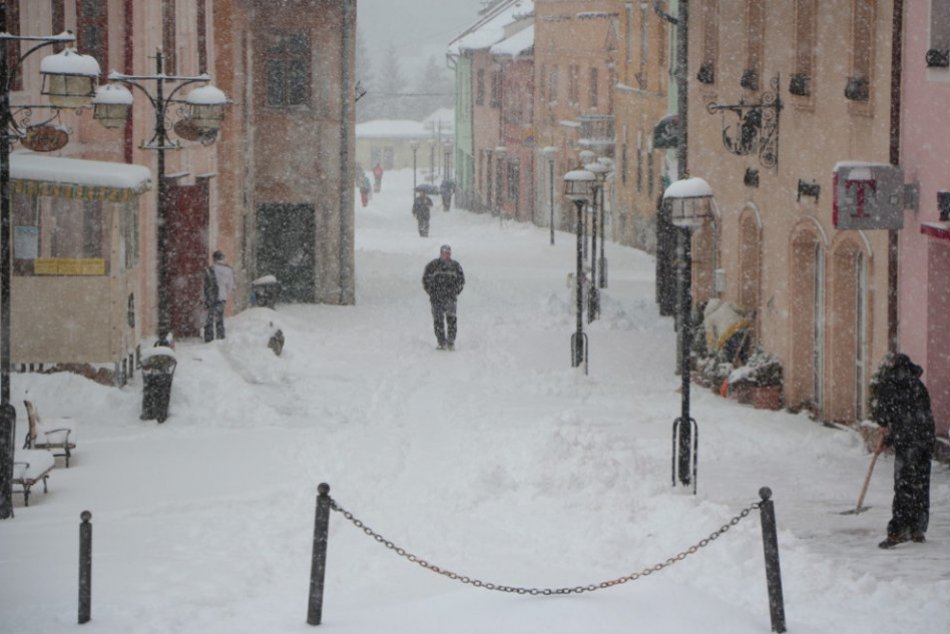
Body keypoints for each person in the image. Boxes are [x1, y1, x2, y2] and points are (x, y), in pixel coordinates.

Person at [870, 353, 936, 549]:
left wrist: (886, 436)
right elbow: (919, 417)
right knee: (921, 484)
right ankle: (918, 529)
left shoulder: (890, 384)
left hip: (908, 442)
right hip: (925, 441)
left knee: (904, 485)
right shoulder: (918, 385)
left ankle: (898, 531)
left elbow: (891, 418)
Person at [422, 244, 465, 350]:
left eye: (448, 253)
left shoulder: (456, 266)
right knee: (438, 321)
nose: (447, 255)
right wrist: (432, 292)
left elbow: (461, 281)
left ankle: (451, 342)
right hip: (436, 299)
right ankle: (441, 342)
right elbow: (425, 280)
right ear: (441, 253)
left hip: (450, 298)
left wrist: (454, 292)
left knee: (452, 320)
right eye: (445, 253)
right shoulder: (432, 266)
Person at [203, 250, 235, 342]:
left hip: (212, 297)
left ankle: (209, 337)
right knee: (219, 318)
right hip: (222, 297)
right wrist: (224, 293)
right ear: (222, 258)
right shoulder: (229, 270)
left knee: (209, 318)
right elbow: (230, 286)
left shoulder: (210, 270)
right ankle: (220, 336)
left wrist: (206, 297)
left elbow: (206, 286)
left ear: (214, 258)